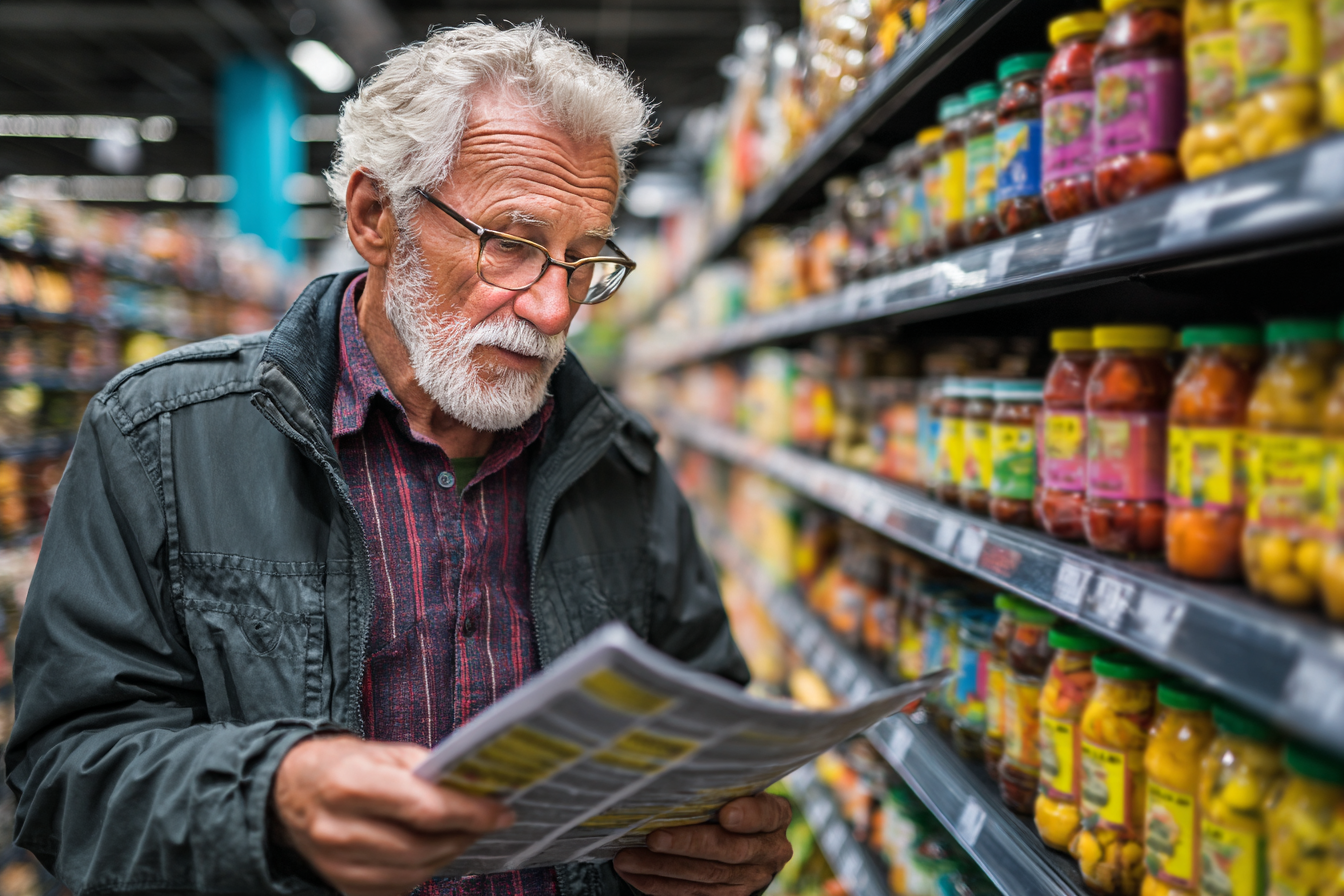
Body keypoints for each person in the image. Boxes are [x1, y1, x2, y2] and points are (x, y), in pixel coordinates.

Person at [5, 22, 792, 896]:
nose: (553, 306)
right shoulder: (161, 438)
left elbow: (710, 722)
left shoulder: (621, 464)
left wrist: (730, 841)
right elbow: (62, 777)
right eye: (515, 243)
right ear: (376, 217)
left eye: (583, 260)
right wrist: (271, 800)